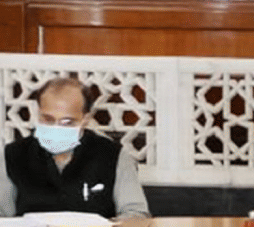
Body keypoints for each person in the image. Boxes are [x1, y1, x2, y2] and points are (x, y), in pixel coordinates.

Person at [0, 77, 150, 219]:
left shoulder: (113, 156)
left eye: (67, 122)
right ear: (38, 113)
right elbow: (3, 215)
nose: (56, 128)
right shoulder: (13, 155)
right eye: (48, 119)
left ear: (85, 119)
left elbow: (136, 214)